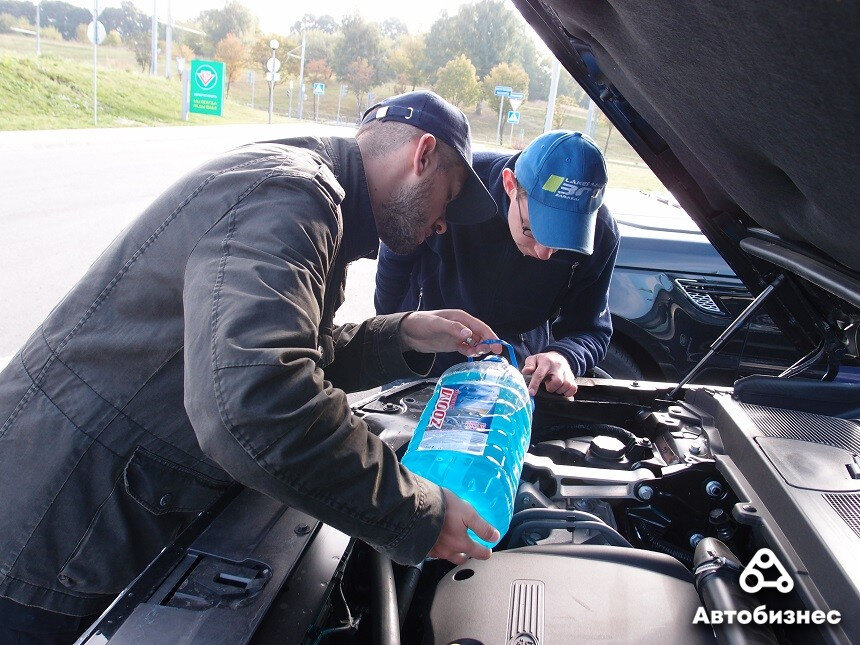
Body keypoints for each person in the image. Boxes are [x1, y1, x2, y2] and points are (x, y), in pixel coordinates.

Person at [0, 90, 503, 642]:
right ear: (423, 155)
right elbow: (256, 398)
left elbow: (284, 354)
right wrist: (420, 512)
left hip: (89, 515)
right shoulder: (290, 196)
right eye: (449, 198)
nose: (442, 227)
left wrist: (402, 334)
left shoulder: (313, 197)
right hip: (49, 528)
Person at [375, 130, 620, 397]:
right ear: (509, 184)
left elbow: (590, 330)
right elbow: (396, 256)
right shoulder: (455, 185)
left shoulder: (602, 233)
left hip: (514, 371)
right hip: (427, 358)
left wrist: (564, 356)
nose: (544, 253)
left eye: (563, 242)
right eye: (531, 230)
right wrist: (396, 334)